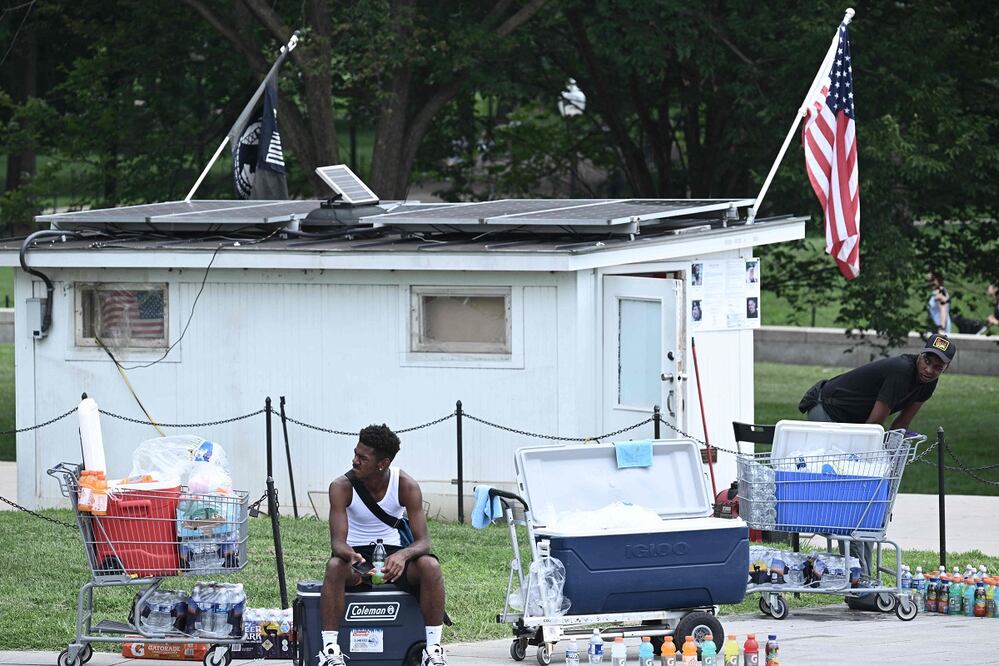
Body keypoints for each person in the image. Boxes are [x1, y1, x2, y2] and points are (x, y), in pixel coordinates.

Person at [797, 335, 956, 593]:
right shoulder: (901, 372)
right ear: (920, 354)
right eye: (928, 360)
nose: (929, 369)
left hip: (855, 424)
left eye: (938, 366)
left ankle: (861, 577)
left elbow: (900, 425)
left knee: (861, 500)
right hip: (827, 409)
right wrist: (870, 463)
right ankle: (860, 581)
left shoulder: (928, 384)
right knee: (850, 498)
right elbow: (873, 427)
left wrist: (894, 453)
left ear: (945, 369)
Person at [318, 424, 448, 666]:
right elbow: (337, 542)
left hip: (393, 555)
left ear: (382, 463)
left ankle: (433, 650)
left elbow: (424, 542)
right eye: (355, 454)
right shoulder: (341, 487)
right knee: (335, 566)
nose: (354, 461)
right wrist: (351, 555)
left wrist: (403, 555)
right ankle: (330, 650)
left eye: (362, 457)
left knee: (430, 566)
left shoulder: (406, 485)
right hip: (356, 556)